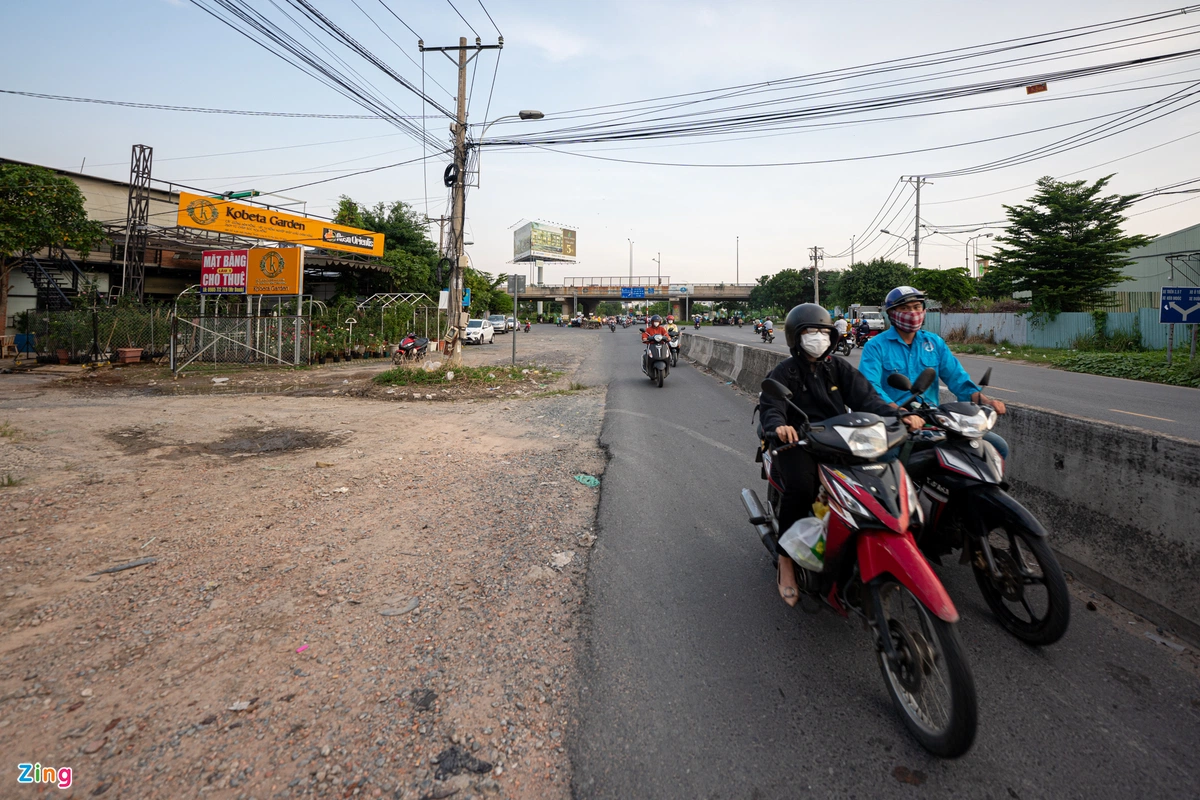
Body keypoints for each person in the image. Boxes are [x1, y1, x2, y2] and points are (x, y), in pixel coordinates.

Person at [759, 304, 919, 606]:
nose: (818, 338)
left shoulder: (838, 367)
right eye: (811, 332)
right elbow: (772, 406)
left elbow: (868, 399)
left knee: (876, 479)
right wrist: (779, 426)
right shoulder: (785, 371)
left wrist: (899, 416)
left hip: (839, 440)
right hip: (798, 443)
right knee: (802, 488)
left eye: (823, 332)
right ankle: (786, 559)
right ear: (796, 337)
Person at [859, 286, 1009, 459]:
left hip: (931, 418)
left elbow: (958, 380)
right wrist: (899, 412)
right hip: (892, 420)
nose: (912, 313)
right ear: (892, 314)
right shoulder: (876, 346)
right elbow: (870, 386)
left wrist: (987, 402)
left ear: (923, 310)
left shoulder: (934, 343)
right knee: (887, 457)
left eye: (916, 307)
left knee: (996, 446)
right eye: (905, 308)